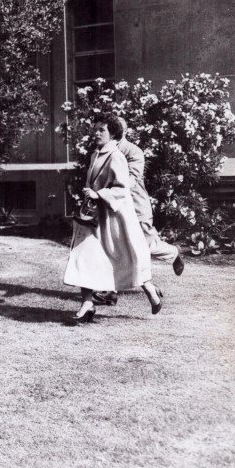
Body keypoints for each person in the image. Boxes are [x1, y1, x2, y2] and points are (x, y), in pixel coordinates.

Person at [63, 114, 164, 321]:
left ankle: (150, 290)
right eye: (95, 129)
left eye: (102, 130)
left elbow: (122, 188)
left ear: (113, 134)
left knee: (126, 257)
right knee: (83, 255)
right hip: (93, 218)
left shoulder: (116, 156)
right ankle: (87, 304)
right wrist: (89, 194)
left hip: (114, 218)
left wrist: (99, 194)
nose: (96, 133)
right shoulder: (95, 155)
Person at [94, 117, 184, 306]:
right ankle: (110, 291)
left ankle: (173, 252)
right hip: (113, 207)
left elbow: (131, 180)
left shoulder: (133, 152)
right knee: (113, 246)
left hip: (136, 207)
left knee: (143, 247)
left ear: (122, 131)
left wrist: (111, 186)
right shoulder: (101, 150)